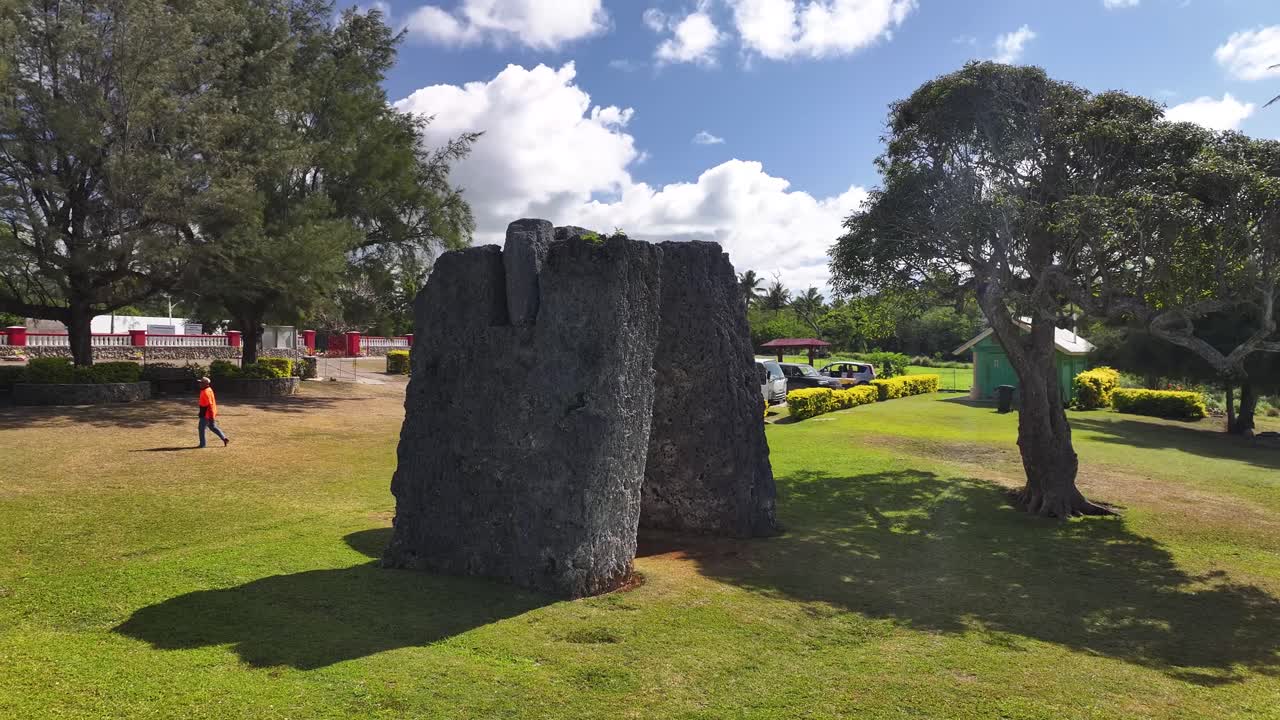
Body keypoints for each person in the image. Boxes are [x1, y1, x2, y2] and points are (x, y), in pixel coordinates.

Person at [197, 377, 230, 448]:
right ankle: (224, 438)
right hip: (209, 413)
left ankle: (202, 444)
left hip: (206, 414)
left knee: (201, 428)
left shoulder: (206, 392)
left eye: (201, 383)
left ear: (205, 384)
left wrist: (210, 416)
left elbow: (209, 405)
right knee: (213, 427)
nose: (199, 384)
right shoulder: (209, 389)